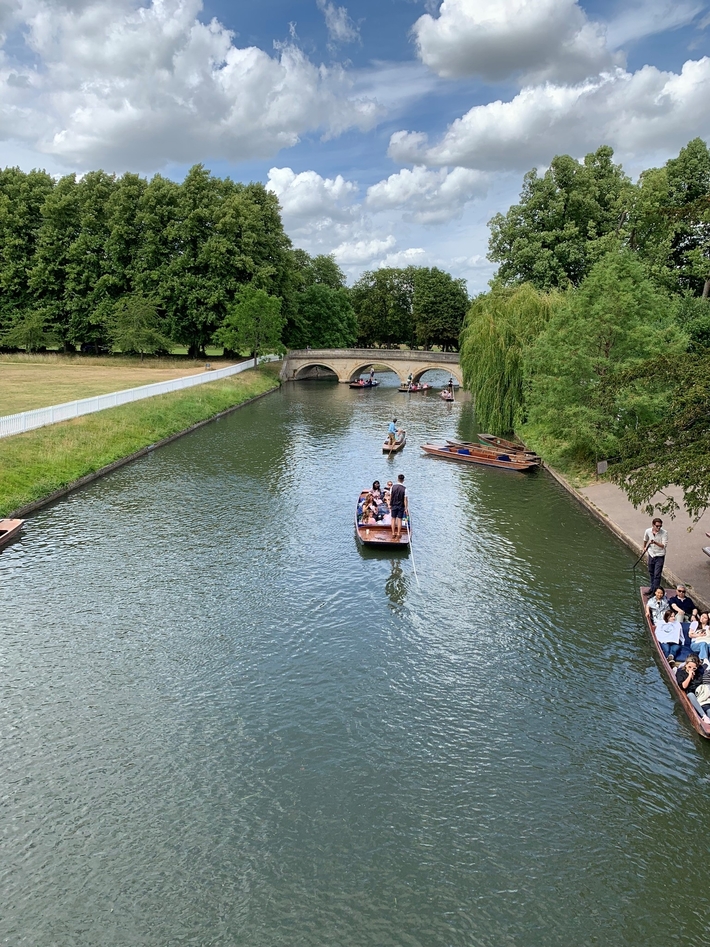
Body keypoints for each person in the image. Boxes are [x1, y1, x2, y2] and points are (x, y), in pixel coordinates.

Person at [675, 655, 710, 722]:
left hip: (699, 694)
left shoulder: (698, 673)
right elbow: (683, 686)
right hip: (690, 693)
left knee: (709, 710)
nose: (691, 669)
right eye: (689, 667)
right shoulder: (681, 673)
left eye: (694, 668)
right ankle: (703, 716)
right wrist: (690, 676)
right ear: (686, 665)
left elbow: (701, 684)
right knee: (690, 694)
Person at [643, 517, 668, 594]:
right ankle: (652, 587)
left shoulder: (664, 533)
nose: (659, 528)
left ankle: (655, 592)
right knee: (651, 572)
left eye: (660, 526)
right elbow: (645, 538)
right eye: (657, 526)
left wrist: (655, 542)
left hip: (660, 555)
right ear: (653, 525)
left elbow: (663, 545)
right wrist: (644, 547)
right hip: (651, 554)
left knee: (657, 574)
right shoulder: (648, 531)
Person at [389, 473, 408, 541]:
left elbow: (391, 497)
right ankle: (398, 533)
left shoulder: (392, 487)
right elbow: (405, 500)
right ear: (403, 480)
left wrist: (389, 504)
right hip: (401, 506)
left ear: (397, 479)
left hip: (393, 504)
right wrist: (406, 508)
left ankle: (393, 533)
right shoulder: (404, 489)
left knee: (393, 519)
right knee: (399, 519)